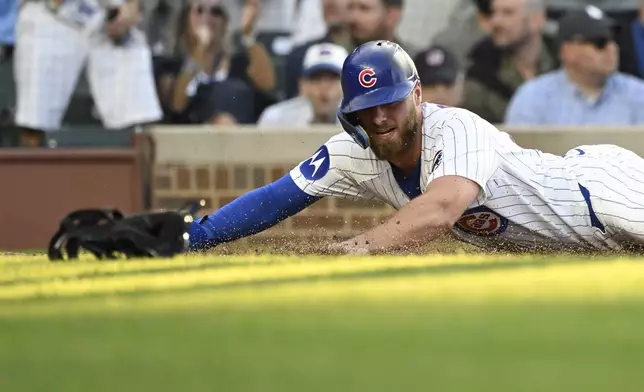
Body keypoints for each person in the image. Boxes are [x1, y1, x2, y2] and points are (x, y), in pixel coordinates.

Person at [188, 40, 644, 255]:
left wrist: (353, 249)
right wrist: (195, 237)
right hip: (576, 241)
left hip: (595, 191)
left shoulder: (458, 127)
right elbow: (276, 198)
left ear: (417, 94)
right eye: (368, 107)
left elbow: (440, 208)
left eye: (390, 101)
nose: (380, 117)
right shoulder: (355, 149)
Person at [13, 0, 163, 147]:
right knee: (35, 120)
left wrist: (133, 4)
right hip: (52, 12)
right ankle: (31, 172)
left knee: (139, 120)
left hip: (112, 11)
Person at [505, 6, 644, 125]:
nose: (611, 48)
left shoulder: (638, 94)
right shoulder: (533, 98)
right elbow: (517, 154)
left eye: (614, 40)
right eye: (600, 42)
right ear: (567, 51)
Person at [154, 0, 276, 124]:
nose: (208, 18)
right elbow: (177, 104)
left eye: (216, 12)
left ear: (224, 22)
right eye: (199, 11)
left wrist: (248, 35)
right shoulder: (172, 66)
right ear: (185, 20)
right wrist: (199, 49)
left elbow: (267, 84)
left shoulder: (238, 62)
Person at [257, 43, 347, 127]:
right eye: (316, 79)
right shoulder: (276, 119)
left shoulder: (359, 120)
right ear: (302, 85)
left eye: (332, 79)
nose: (323, 87)